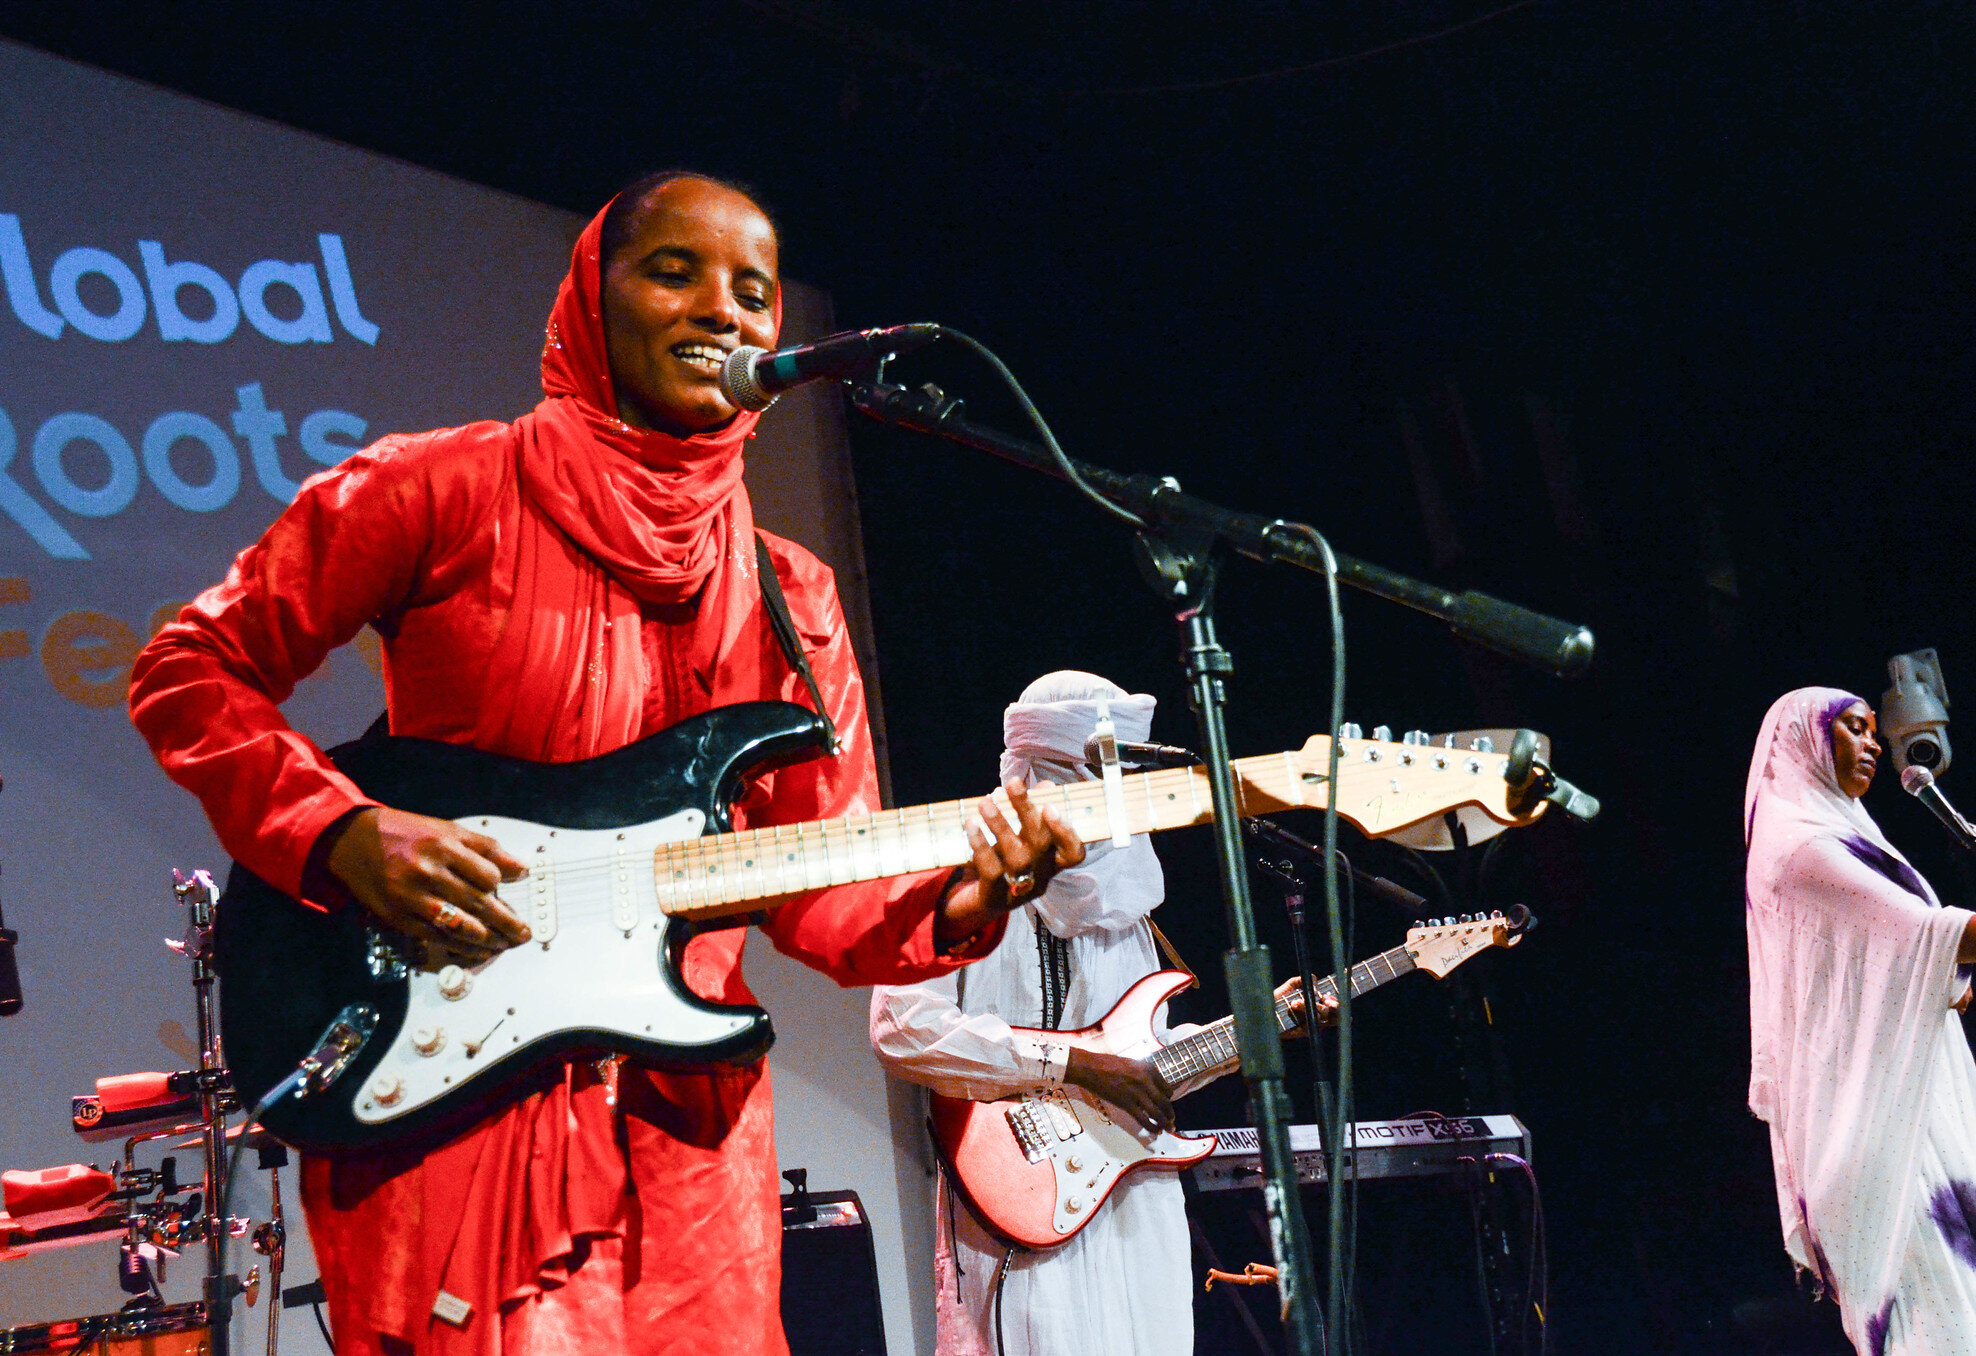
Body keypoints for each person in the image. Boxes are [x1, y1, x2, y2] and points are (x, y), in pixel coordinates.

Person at [128, 170, 1082, 1356]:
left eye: (753, 289)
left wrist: (964, 898)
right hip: (453, 1086)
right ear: (592, 295)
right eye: (673, 270)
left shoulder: (794, 593)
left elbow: (827, 898)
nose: (723, 311)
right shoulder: (434, 487)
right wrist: (343, 832)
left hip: (691, 1130)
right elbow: (189, 668)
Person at [870, 671, 1227, 1356]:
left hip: (1129, 1192)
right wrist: (1075, 1064)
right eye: (1096, 771)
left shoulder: (1128, 897)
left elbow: (1139, 1056)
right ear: (1043, 766)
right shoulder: (960, 871)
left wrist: (1250, 1036)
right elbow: (901, 1030)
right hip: (1019, 1186)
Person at [1745, 687, 1976, 1354]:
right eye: (1852, 728)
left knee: (1973, 1314)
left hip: (1915, 1099)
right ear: (1801, 741)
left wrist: (1948, 981)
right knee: (1946, 1320)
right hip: (1878, 1127)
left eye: (1874, 731)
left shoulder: (1842, 835)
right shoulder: (1798, 849)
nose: (1873, 744)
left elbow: (1899, 953)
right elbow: (1922, 935)